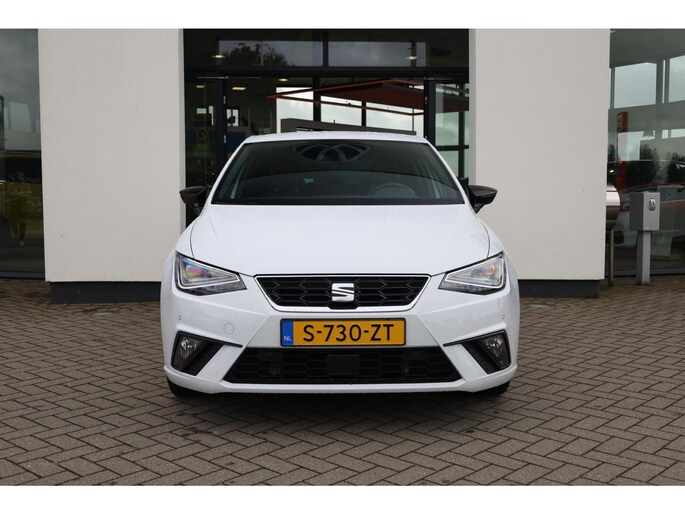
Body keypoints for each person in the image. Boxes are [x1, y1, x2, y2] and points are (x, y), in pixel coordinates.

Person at [6, 170, 31, 246]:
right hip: (14, 206)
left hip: (23, 207)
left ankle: (21, 239)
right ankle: (15, 236)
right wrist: (20, 194)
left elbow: (28, 194)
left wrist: (17, 194)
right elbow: (9, 194)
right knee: (14, 223)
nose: (21, 177)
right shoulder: (11, 185)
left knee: (22, 223)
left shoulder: (26, 185)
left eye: (22, 176)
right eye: (20, 176)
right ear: (16, 177)